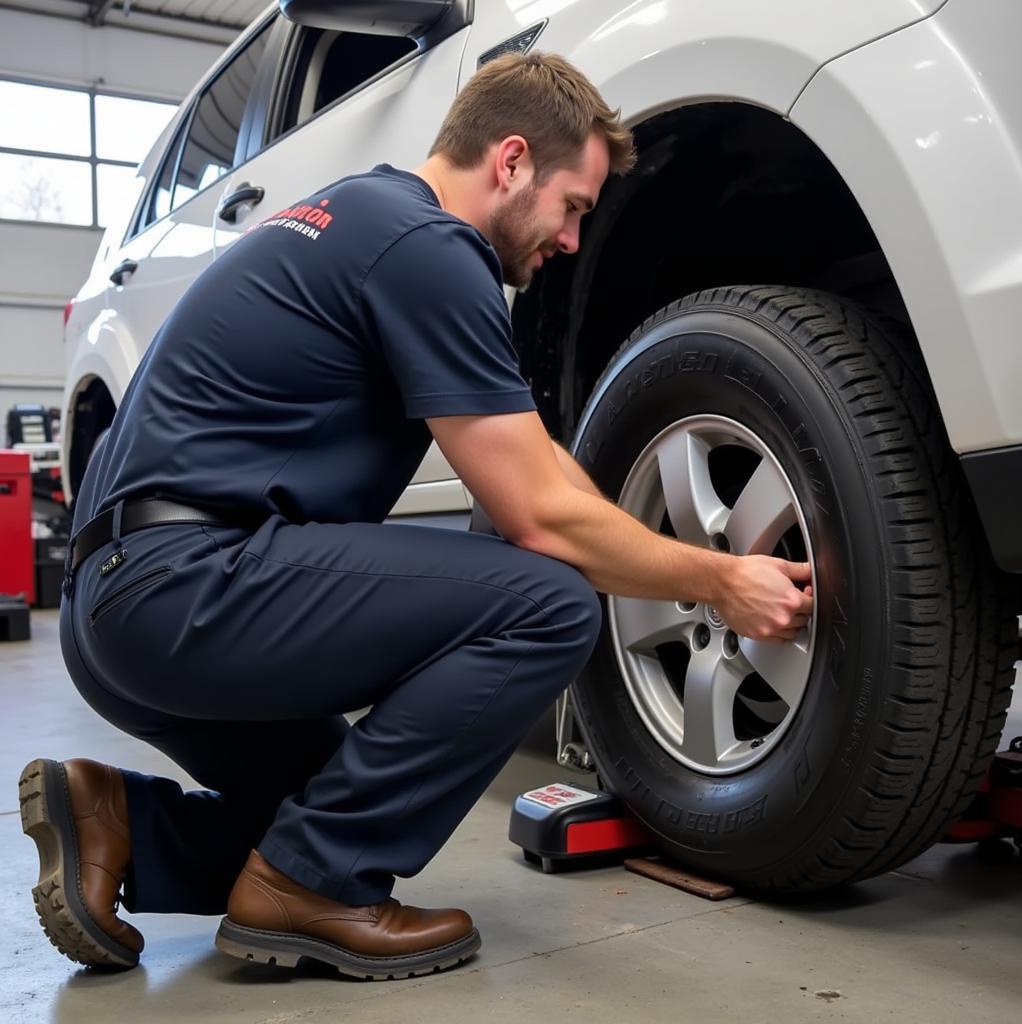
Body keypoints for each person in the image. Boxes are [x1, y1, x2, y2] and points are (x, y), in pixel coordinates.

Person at [20, 52, 812, 980]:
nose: (569, 241)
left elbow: (529, 460)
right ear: (510, 162)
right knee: (551, 600)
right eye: (573, 207)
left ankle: (117, 824)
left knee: (328, 803)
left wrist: (636, 538)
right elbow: (540, 521)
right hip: (185, 589)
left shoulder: (364, 218)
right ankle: (311, 893)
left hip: (113, 608)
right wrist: (717, 578)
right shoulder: (432, 248)